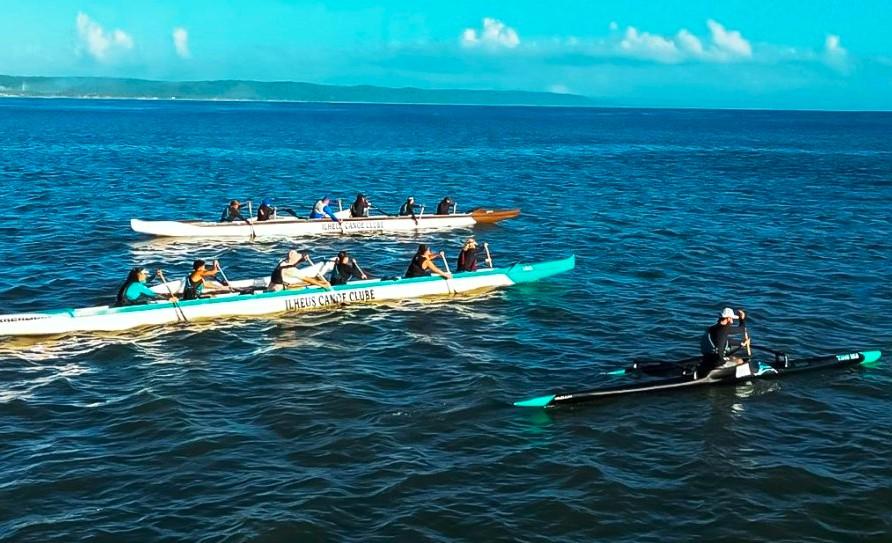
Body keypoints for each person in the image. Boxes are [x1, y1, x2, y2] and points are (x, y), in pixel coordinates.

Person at [699, 307, 749, 375]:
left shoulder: (712, 328)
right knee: (740, 361)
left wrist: (741, 343)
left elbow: (723, 340)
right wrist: (742, 319)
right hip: (717, 363)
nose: (732, 321)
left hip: (707, 360)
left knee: (732, 357)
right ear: (728, 318)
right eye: (732, 318)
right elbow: (742, 329)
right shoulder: (725, 329)